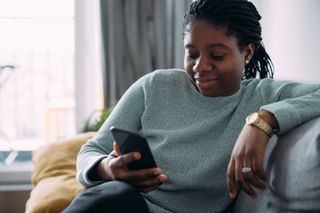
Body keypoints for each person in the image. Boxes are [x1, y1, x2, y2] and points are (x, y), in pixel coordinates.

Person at [64, 0, 320, 212]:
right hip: (128, 203)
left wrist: (262, 121)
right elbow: (92, 149)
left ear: (247, 52)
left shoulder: (262, 95)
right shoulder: (155, 86)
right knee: (109, 199)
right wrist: (107, 169)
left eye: (217, 55)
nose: (200, 66)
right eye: (192, 54)